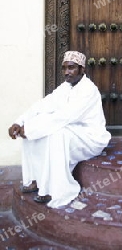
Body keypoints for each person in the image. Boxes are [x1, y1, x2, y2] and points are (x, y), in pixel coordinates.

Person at [8, 51, 111, 208]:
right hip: (71, 131)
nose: (66, 72)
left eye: (71, 68)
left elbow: (64, 116)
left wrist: (28, 128)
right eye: (64, 68)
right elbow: (43, 104)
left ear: (82, 69)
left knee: (55, 133)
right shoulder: (65, 87)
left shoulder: (89, 90)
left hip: (90, 139)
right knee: (36, 128)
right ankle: (35, 179)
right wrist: (20, 121)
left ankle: (57, 189)